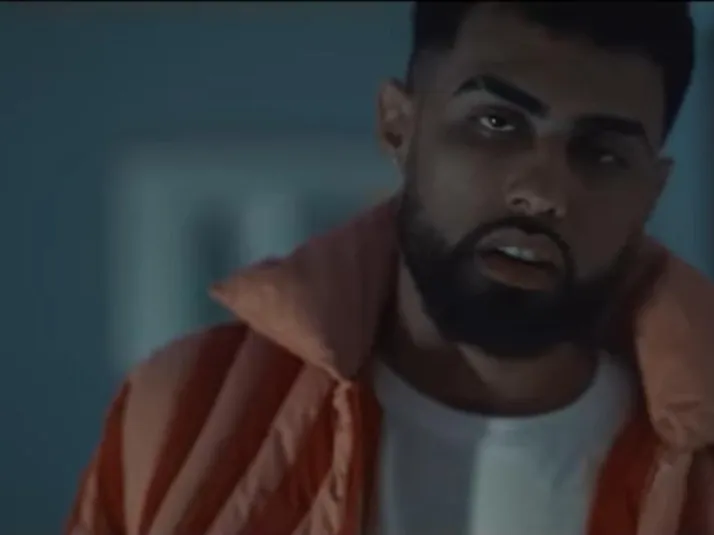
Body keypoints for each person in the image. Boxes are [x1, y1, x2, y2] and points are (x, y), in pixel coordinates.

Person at [67, 2, 714, 535]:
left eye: (602, 153)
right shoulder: (185, 416)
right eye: (497, 122)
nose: (542, 191)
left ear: (650, 191)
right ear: (398, 127)